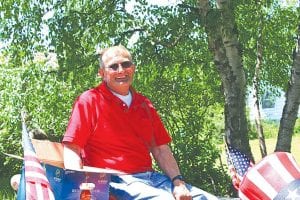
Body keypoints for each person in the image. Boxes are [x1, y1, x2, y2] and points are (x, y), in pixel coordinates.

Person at [62, 45, 218, 200]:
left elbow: (161, 149)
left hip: (152, 180)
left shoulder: (144, 104)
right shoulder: (89, 100)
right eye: (113, 66)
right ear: (102, 73)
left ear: (133, 68)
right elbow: (72, 148)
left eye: (126, 64)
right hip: (115, 181)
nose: (121, 70)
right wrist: (80, 189)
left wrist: (178, 182)